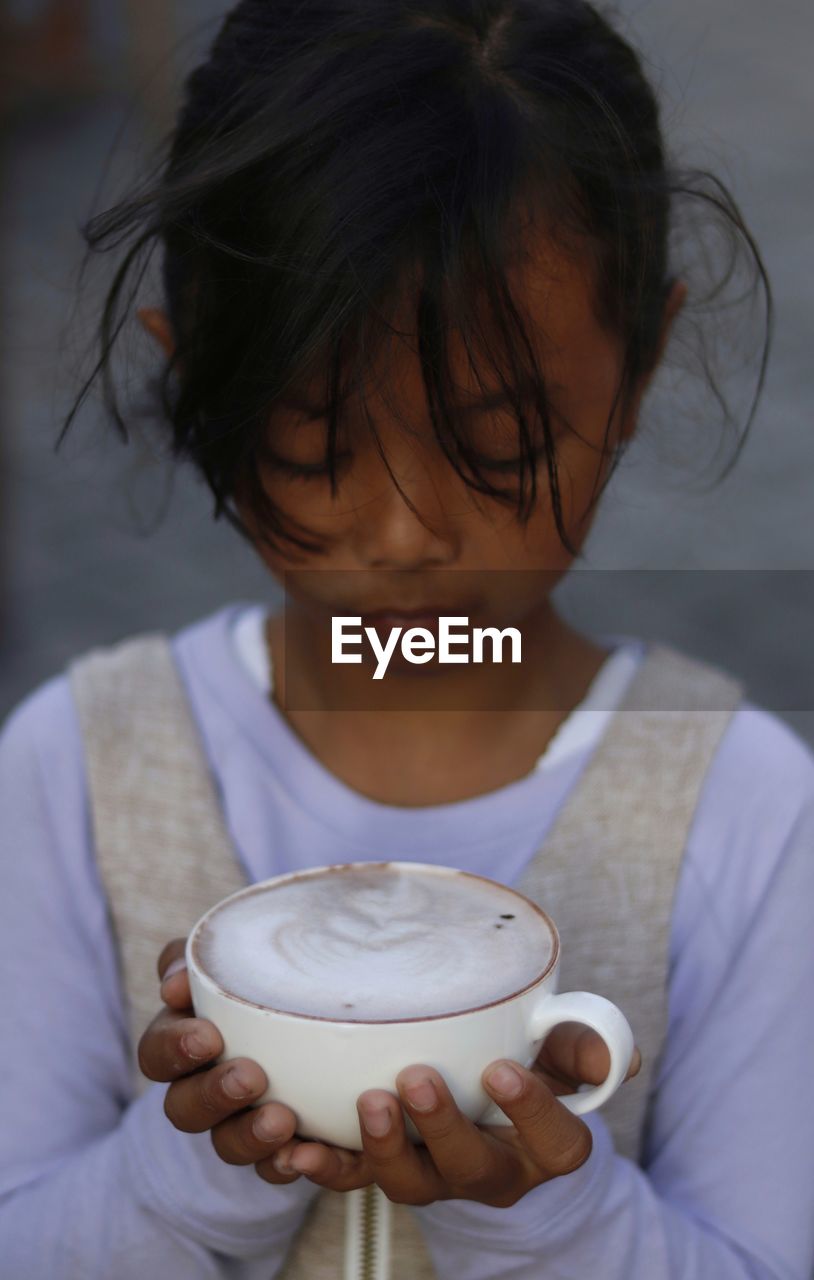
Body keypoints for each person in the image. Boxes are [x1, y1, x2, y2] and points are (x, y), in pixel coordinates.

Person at [1, 1, 813, 1277]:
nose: (402, 533)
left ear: (645, 361)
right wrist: (187, 1171)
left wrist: (542, 1207)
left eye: (498, 447)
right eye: (312, 446)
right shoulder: (76, 771)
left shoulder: (748, 810)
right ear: (193, 372)